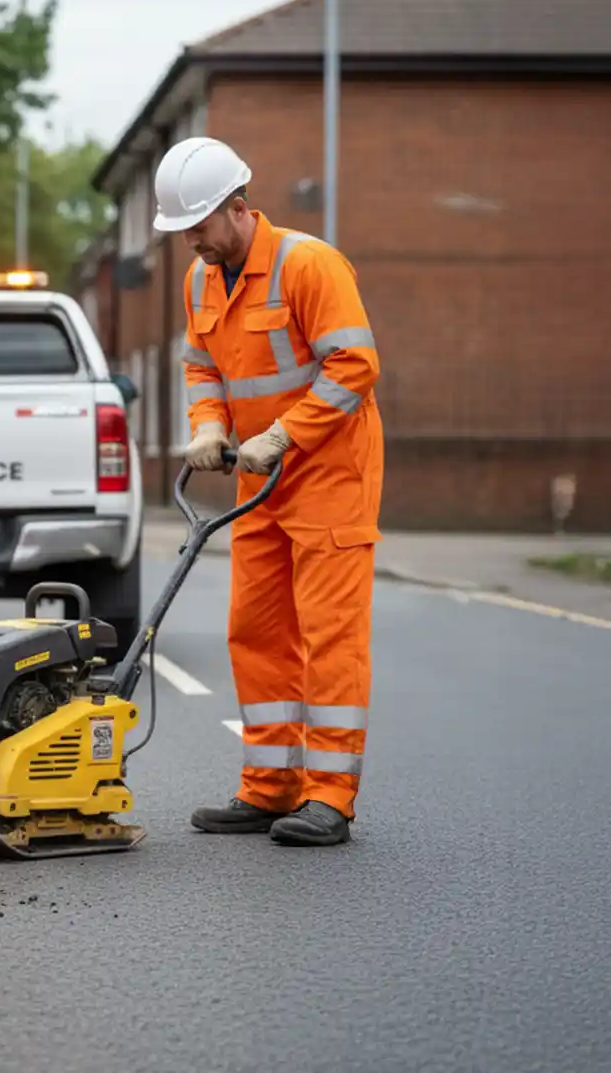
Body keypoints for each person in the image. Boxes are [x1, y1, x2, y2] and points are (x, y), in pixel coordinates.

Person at [156, 136, 383, 848]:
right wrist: (207, 424)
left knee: (328, 635)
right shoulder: (201, 281)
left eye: (198, 224)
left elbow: (355, 365)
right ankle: (268, 786)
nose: (191, 240)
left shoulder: (307, 264)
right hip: (257, 484)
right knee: (256, 630)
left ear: (238, 207)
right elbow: (202, 365)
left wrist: (284, 435)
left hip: (327, 475)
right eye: (182, 229)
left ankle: (329, 797)